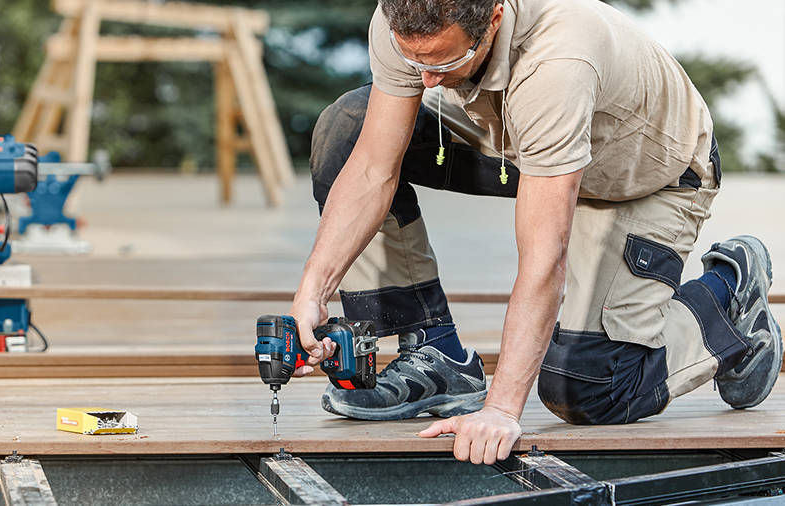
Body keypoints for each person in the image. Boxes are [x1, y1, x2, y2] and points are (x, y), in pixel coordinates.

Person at [288, 0, 782, 465]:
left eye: (445, 61)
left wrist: (502, 410)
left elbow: (545, 255)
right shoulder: (407, 20)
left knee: (587, 386)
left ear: (495, 17)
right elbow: (374, 167)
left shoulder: (558, 59)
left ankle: (729, 300)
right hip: (523, 141)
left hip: (647, 179)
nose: (428, 79)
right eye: (412, 59)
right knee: (349, 127)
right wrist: (314, 289)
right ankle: (434, 353)